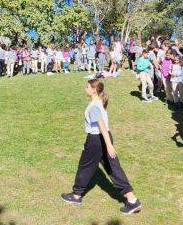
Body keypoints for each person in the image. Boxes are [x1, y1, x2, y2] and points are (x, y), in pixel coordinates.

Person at [60, 79, 142, 214]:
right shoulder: (98, 103)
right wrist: (108, 142)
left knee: (85, 166)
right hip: (103, 137)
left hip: (97, 139)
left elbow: (101, 125)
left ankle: (76, 196)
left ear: (94, 90)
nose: (85, 89)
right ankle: (132, 200)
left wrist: (108, 145)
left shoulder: (94, 106)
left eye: (87, 87)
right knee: (113, 168)